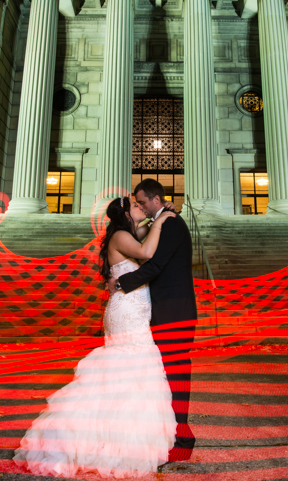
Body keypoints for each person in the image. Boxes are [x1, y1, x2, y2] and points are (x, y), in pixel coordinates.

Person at [14, 196, 178, 477]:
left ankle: (121, 440)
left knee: (129, 374)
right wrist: (161, 220)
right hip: (126, 313)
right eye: (136, 206)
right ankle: (86, 441)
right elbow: (148, 252)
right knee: (128, 368)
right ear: (125, 213)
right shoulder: (122, 236)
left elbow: (145, 233)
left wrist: (156, 216)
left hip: (132, 310)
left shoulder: (127, 232)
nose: (141, 207)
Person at [107, 178, 196, 462]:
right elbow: (141, 236)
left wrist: (122, 283)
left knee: (177, 371)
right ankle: (166, 433)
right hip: (160, 309)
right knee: (163, 374)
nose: (141, 208)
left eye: (143, 202)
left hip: (174, 310)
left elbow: (155, 265)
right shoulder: (158, 222)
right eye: (136, 205)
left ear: (156, 200)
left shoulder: (170, 223)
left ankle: (183, 437)